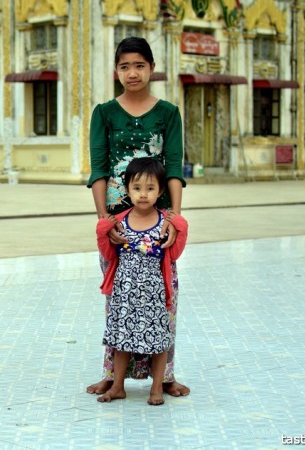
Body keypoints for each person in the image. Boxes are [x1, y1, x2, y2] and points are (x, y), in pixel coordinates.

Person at [86, 36, 190, 399]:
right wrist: (105, 221)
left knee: (165, 298)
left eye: (139, 65)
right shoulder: (103, 113)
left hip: (158, 222)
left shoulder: (168, 113)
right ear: (116, 72)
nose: (132, 72)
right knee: (117, 300)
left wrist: (173, 221)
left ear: (151, 69)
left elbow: (174, 165)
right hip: (117, 224)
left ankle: (166, 376)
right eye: (125, 66)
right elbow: (98, 169)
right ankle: (111, 375)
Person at [95, 157, 188, 406]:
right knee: (122, 341)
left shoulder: (164, 224)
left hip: (156, 296)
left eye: (150, 188)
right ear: (127, 190)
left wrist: (178, 222)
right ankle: (118, 386)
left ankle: (156, 388)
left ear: (160, 192)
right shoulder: (120, 222)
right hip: (125, 295)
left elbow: (176, 253)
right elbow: (107, 253)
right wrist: (103, 229)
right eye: (137, 188)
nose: (143, 195)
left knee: (159, 343)